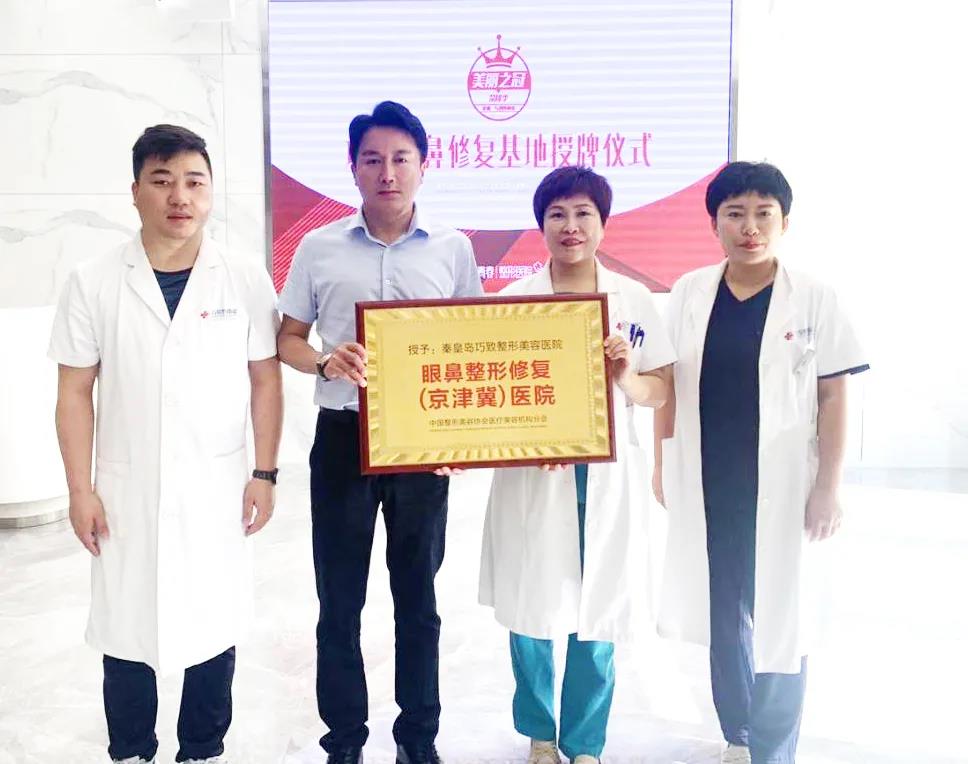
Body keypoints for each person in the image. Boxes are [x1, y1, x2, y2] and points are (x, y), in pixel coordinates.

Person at [49, 124, 283, 764]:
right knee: (127, 628)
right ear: (135, 192)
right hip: (127, 488)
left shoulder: (242, 276)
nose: (180, 196)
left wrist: (265, 472)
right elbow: (75, 392)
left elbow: (265, 378)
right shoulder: (94, 279)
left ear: (210, 191)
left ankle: (203, 749)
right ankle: (131, 750)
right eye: (162, 180)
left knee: (214, 622)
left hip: (218, 483)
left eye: (194, 182)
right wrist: (79, 489)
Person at [276, 101, 483, 764]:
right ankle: (344, 743)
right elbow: (288, 338)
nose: (387, 172)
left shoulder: (454, 248)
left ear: (424, 165)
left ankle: (418, 742)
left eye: (400, 158)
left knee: (417, 601)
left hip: (423, 445)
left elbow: (474, 346)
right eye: (373, 159)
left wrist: (462, 437)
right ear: (353, 167)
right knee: (338, 603)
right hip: (343, 437)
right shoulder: (318, 247)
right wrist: (324, 360)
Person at [653, 162, 869, 764]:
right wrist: (661, 463)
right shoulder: (690, 293)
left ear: (784, 222)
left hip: (785, 480)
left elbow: (834, 396)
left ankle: (773, 748)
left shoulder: (814, 296)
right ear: (714, 225)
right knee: (724, 608)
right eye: (735, 214)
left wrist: (828, 487)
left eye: (763, 213)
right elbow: (667, 385)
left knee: (782, 614)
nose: (750, 227)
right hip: (710, 477)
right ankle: (737, 731)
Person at [479, 166, 675, 764]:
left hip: (607, 473)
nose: (571, 226)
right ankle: (540, 734)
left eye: (584, 213)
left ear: (603, 223)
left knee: (600, 610)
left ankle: (585, 743)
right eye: (557, 214)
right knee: (531, 606)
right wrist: (519, 439)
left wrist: (627, 378)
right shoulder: (513, 301)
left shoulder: (632, 299)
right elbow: (489, 396)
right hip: (533, 474)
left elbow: (660, 390)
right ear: (540, 225)